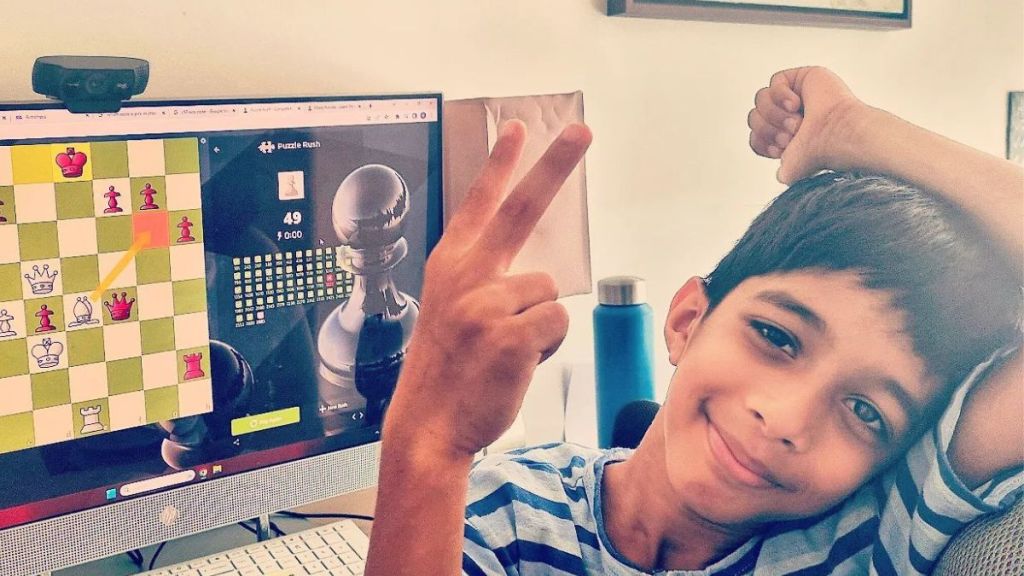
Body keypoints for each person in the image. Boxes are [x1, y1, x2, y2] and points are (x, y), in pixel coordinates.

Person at [364, 67, 1023, 575]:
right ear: (685, 320)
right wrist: (428, 445)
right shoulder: (504, 513)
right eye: (777, 337)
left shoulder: (869, 537)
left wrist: (853, 129)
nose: (787, 419)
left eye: (867, 411)